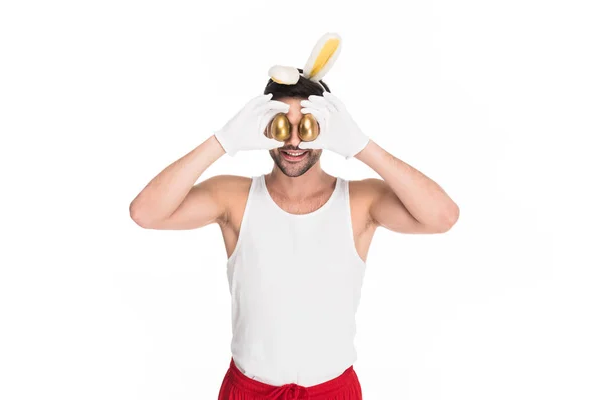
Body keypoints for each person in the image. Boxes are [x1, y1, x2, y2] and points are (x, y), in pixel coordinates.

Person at [129, 34, 459, 400]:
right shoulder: (233, 197)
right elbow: (145, 213)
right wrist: (223, 140)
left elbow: (443, 216)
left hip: (333, 390)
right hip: (249, 390)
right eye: (282, 125)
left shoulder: (360, 202)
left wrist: (363, 146)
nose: (294, 142)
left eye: (308, 126)